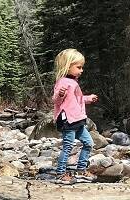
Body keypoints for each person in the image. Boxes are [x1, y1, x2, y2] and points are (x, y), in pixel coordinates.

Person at [52, 49, 98, 184]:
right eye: (78, 67)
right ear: (67, 65)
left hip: (78, 120)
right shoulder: (62, 82)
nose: (81, 70)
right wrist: (60, 94)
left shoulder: (73, 82)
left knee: (88, 143)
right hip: (68, 120)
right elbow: (56, 100)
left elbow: (75, 100)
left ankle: (81, 170)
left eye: (81, 67)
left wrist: (88, 99)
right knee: (68, 146)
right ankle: (60, 173)